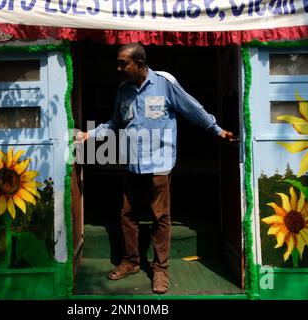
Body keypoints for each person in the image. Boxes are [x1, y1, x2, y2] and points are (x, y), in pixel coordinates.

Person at [76, 43, 234, 294]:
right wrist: (89, 135)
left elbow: (192, 109)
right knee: (127, 215)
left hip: (159, 163)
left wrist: (216, 130)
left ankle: (160, 269)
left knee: (160, 217)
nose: (118, 68)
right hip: (132, 163)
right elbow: (114, 122)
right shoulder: (123, 90)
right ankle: (131, 261)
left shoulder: (165, 83)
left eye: (122, 63)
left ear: (139, 65)